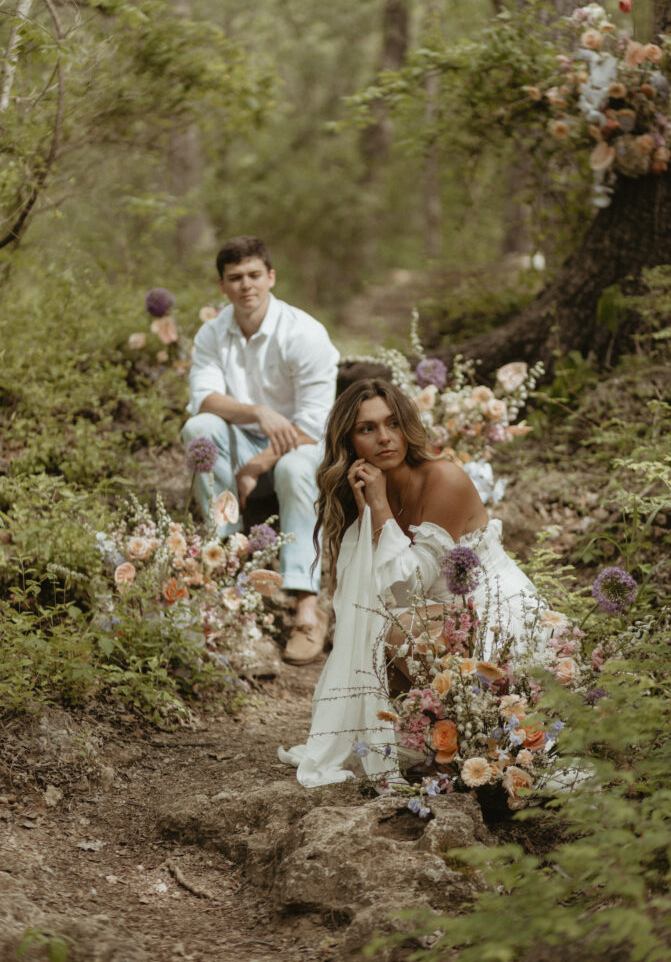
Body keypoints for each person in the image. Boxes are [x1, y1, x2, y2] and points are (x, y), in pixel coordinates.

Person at [278, 378, 543, 787]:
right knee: (373, 644)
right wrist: (371, 505)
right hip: (440, 618)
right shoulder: (363, 494)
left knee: (396, 633)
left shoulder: (444, 480)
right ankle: (451, 741)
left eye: (393, 423)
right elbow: (368, 596)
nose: (384, 438)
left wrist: (380, 505)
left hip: (495, 612)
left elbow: (413, 586)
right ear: (349, 443)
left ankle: (470, 744)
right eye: (367, 429)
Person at [182, 235, 339, 664]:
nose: (245, 285)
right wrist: (259, 412)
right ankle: (224, 572)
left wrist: (258, 464)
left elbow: (316, 422)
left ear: (271, 277)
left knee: (292, 470)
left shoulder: (304, 332)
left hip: (302, 446)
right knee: (199, 429)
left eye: (254, 275)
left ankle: (306, 607)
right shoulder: (213, 333)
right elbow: (204, 399)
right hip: (246, 434)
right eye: (235, 278)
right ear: (222, 285)